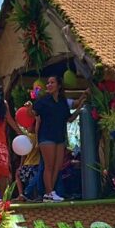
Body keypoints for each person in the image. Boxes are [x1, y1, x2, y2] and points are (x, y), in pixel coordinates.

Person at [32, 75, 83, 203]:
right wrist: (28, 108)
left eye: (52, 82)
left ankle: (50, 192)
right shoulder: (43, 100)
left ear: (58, 85)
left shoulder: (62, 102)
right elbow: (33, 114)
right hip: (46, 136)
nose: (49, 85)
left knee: (58, 166)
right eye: (48, 83)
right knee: (49, 165)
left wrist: (79, 108)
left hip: (59, 136)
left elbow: (69, 119)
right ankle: (48, 192)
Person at [14, 129, 42, 201]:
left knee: (17, 174)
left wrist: (21, 165)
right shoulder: (39, 137)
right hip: (35, 164)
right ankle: (23, 195)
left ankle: (21, 194)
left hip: (30, 165)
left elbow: (23, 154)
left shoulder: (27, 137)